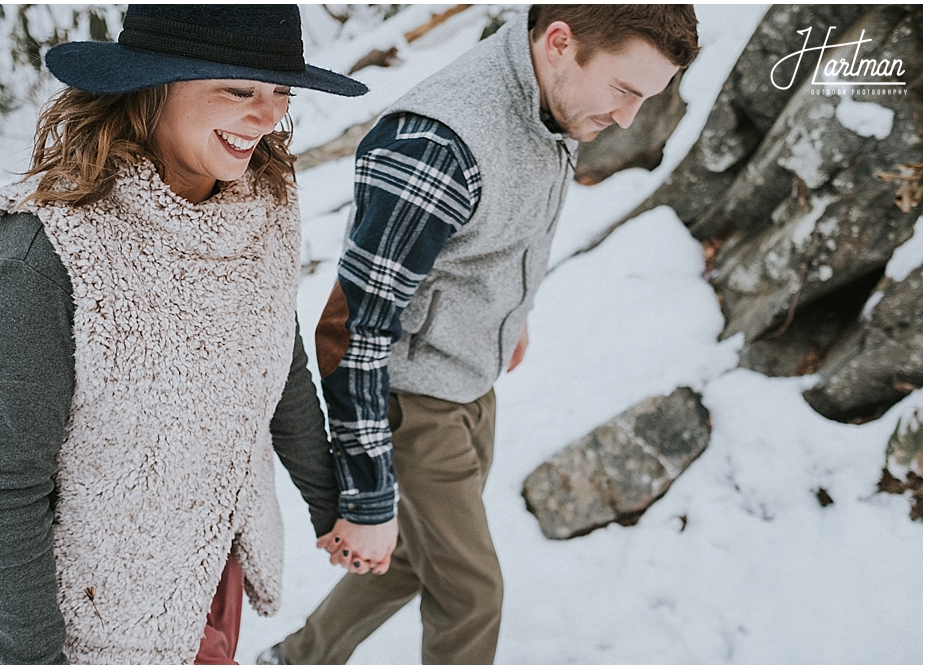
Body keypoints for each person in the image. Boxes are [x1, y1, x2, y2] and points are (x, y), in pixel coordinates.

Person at [259, 4, 700, 665]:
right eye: (625, 91)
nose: (628, 118)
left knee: (417, 557)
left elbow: (484, 240)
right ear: (558, 43)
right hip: (413, 404)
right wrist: (370, 492)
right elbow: (349, 331)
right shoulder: (439, 147)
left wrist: (501, 320)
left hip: (469, 384)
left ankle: (294, 658)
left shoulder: (555, 98)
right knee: (472, 595)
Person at [0, 5, 372, 664]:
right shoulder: (49, 247)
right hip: (102, 615)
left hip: (215, 574)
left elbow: (279, 363)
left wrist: (332, 506)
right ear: (155, 84)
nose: (267, 116)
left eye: (280, 94)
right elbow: (6, 491)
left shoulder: (262, 205)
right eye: (240, 89)